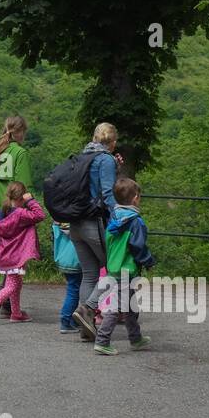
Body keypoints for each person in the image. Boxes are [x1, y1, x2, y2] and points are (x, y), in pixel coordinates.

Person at [90, 176, 156, 356]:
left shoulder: (113, 217)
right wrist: (149, 261)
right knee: (118, 306)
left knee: (129, 305)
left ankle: (135, 338)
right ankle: (102, 341)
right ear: (135, 198)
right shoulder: (135, 222)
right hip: (127, 270)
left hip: (114, 267)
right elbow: (138, 247)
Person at [71, 122, 122, 337]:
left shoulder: (83, 156)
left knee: (90, 275)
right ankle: (88, 308)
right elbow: (108, 195)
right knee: (115, 271)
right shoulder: (105, 159)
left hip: (75, 224)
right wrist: (122, 217)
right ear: (112, 142)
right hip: (95, 223)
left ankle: (86, 328)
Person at [0, 116, 34, 318]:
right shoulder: (20, 153)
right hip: (15, 212)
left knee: (5, 256)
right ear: (20, 132)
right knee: (16, 259)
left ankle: (6, 303)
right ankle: (2, 302)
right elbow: (23, 187)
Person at [0, 183, 44, 324]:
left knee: (16, 283)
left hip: (3, 255)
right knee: (12, 286)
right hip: (17, 256)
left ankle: (16, 314)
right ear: (21, 198)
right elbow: (40, 215)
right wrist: (31, 200)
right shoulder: (21, 214)